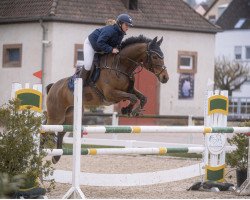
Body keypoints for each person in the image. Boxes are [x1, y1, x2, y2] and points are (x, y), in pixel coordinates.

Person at [77, 14, 133, 83]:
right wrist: (111, 49)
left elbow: (116, 45)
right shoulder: (109, 30)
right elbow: (100, 42)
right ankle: (79, 84)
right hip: (91, 45)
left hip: (101, 48)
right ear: (120, 24)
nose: (128, 27)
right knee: (88, 65)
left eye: (129, 26)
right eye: (126, 25)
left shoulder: (121, 33)